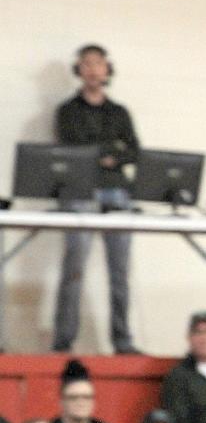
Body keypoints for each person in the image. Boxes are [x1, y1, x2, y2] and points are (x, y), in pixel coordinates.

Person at [53, 43, 140, 354]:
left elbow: (133, 151)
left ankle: (123, 340)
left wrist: (107, 155)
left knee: (120, 273)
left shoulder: (119, 112)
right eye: (86, 63)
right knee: (74, 268)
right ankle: (63, 341)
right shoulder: (68, 111)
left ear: (107, 69)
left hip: (117, 193)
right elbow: (71, 149)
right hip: (80, 193)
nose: (92, 69)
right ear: (79, 69)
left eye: (98, 63)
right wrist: (109, 152)